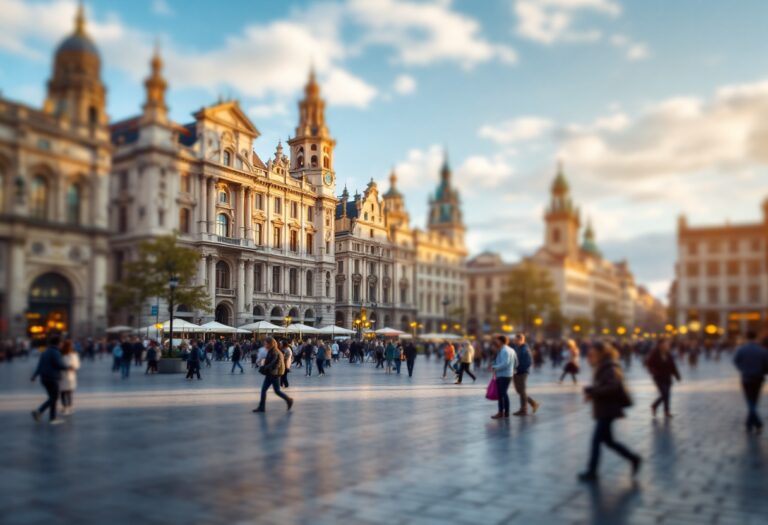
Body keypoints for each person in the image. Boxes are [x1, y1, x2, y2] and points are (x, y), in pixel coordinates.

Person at [579, 342, 641, 482]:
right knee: (609, 441)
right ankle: (634, 458)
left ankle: (592, 471)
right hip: (605, 408)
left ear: (601, 352)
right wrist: (592, 390)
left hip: (608, 408)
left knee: (596, 441)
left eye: (593, 351)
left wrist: (593, 391)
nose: (591, 354)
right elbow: (604, 385)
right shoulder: (604, 364)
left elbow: (612, 387)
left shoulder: (610, 366)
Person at [733, 331, 768, 434]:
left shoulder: (741, 349)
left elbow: (735, 361)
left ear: (746, 338)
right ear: (756, 337)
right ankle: (755, 423)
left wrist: (743, 369)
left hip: (746, 378)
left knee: (749, 401)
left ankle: (750, 423)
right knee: (754, 400)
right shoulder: (763, 351)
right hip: (758, 378)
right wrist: (762, 371)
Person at [31, 333, 69, 425]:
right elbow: (58, 365)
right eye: (61, 343)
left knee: (52, 397)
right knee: (54, 398)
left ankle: (51, 417)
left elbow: (39, 366)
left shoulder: (45, 352)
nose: (62, 344)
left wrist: (34, 376)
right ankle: (40, 412)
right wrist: (67, 367)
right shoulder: (56, 352)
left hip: (44, 378)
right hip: (52, 378)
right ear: (58, 343)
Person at [254, 337, 294, 413]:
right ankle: (262, 407)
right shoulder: (271, 351)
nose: (264, 345)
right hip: (271, 373)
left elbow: (275, 363)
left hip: (274, 374)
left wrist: (265, 367)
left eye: (266, 343)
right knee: (268, 390)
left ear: (270, 344)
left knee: (276, 391)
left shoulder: (275, 352)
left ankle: (289, 400)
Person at [645, 338, 681, 418]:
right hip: (659, 378)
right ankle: (655, 405)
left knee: (667, 395)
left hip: (667, 377)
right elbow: (649, 364)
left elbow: (673, 366)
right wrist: (653, 371)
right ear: (660, 345)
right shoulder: (654, 354)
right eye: (665, 344)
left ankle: (666, 411)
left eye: (667, 344)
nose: (667, 345)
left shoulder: (668, 354)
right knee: (665, 393)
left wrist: (677, 375)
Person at [511, 334, 540, 416]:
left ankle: (523, 409)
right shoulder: (517, 347)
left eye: (516, 340)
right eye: (515, 340)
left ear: (522, 340)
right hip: (516, 372)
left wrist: (519, 369)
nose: (515, 341)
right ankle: (533, 403)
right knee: (519, 390)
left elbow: (528, 362)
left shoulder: (525, 349)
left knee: (522, 391)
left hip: (522, 372)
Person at [490, 335, 517, 419]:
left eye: (497, 340)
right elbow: (516, 362)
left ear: (501, 341)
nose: (495, 342)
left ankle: (501, 412)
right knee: (503, 393)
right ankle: (506, 412)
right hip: (506, 374)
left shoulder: (505, 350)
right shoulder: (509, 350)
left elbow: (506, 363)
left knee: (502, 394)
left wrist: (495, 367)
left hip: (503, 375)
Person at [59, 339, 81, 416]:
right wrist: (73, 367)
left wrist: (73, 367)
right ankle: (69, 406)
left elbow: (77, 365)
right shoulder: (73, 354)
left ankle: (66, 406)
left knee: (64, 392)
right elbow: (77, 365)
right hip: (68, 375)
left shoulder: (61, 354)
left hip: (64, 375)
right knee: (68, 392)